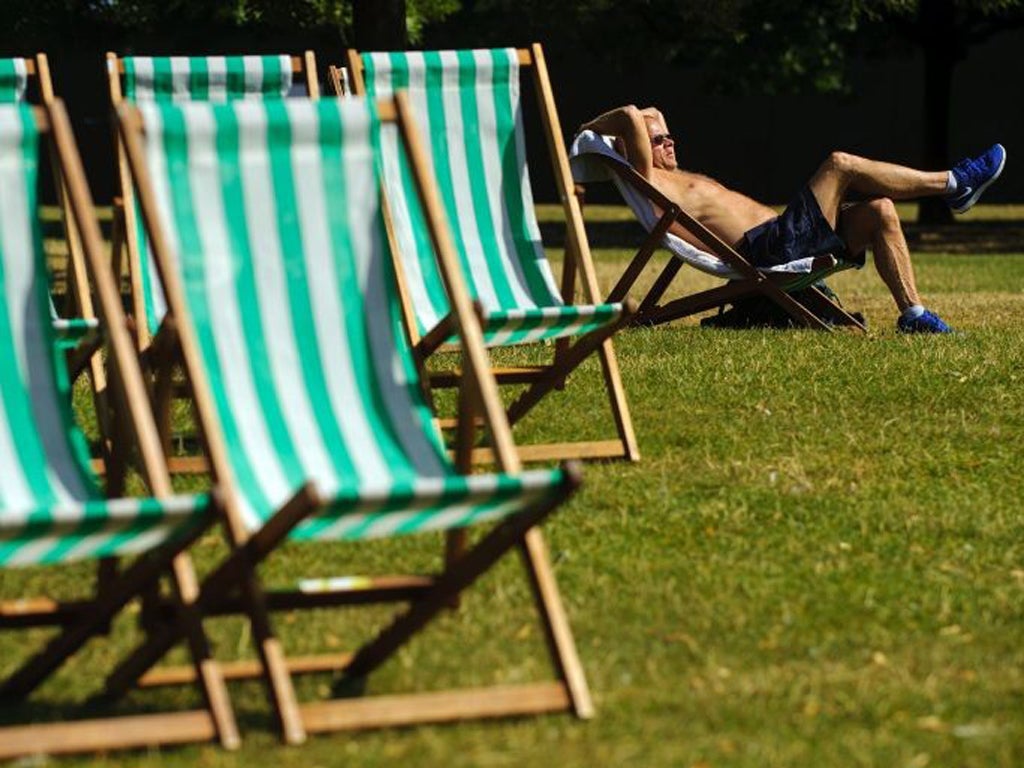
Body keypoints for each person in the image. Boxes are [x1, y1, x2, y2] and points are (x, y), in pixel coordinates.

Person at [578, 105, 1007, 333]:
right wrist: (588, 131)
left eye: (670, 136)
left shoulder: (674, 176)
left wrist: (654, 122)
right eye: (659, 140)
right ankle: (955, 183)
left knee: (880, 210)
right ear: (634, 148)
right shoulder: (647, 179)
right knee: (840, 164)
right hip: (770, 249)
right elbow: (634, 114)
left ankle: (913, 314)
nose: (669, 141)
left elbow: (650, 111)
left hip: (784, 236)